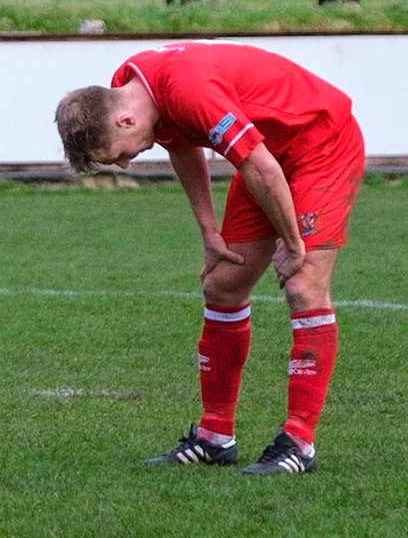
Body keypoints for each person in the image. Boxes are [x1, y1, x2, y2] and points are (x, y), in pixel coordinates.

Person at [54, 41, 364, 475]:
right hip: (267, 155)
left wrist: (294, 243)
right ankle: (215, 437)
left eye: (120, 154)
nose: (126, 164)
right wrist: (208, 231)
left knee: (303, 282)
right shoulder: (133, 85)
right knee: (223, 283)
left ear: (124, 121)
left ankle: (299, 441)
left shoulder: (186, 89)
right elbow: (182, 143)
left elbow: (260, 168)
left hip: (320, 142)